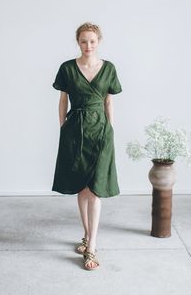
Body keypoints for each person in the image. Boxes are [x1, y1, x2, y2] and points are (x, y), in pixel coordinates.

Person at [51, 22, 122, 270]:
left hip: (101, 133)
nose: (88, 45)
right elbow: (62, 100)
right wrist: (63, 127)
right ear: (78, 42)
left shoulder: (109, 68)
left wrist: (110, 130)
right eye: (83, 41)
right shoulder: (67, 68)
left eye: (92, 41)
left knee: (95, 189)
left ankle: (91, 247)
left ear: (98, 41)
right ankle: (86, 234)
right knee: (82, 188)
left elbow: (109, 102)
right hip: (75, 132)